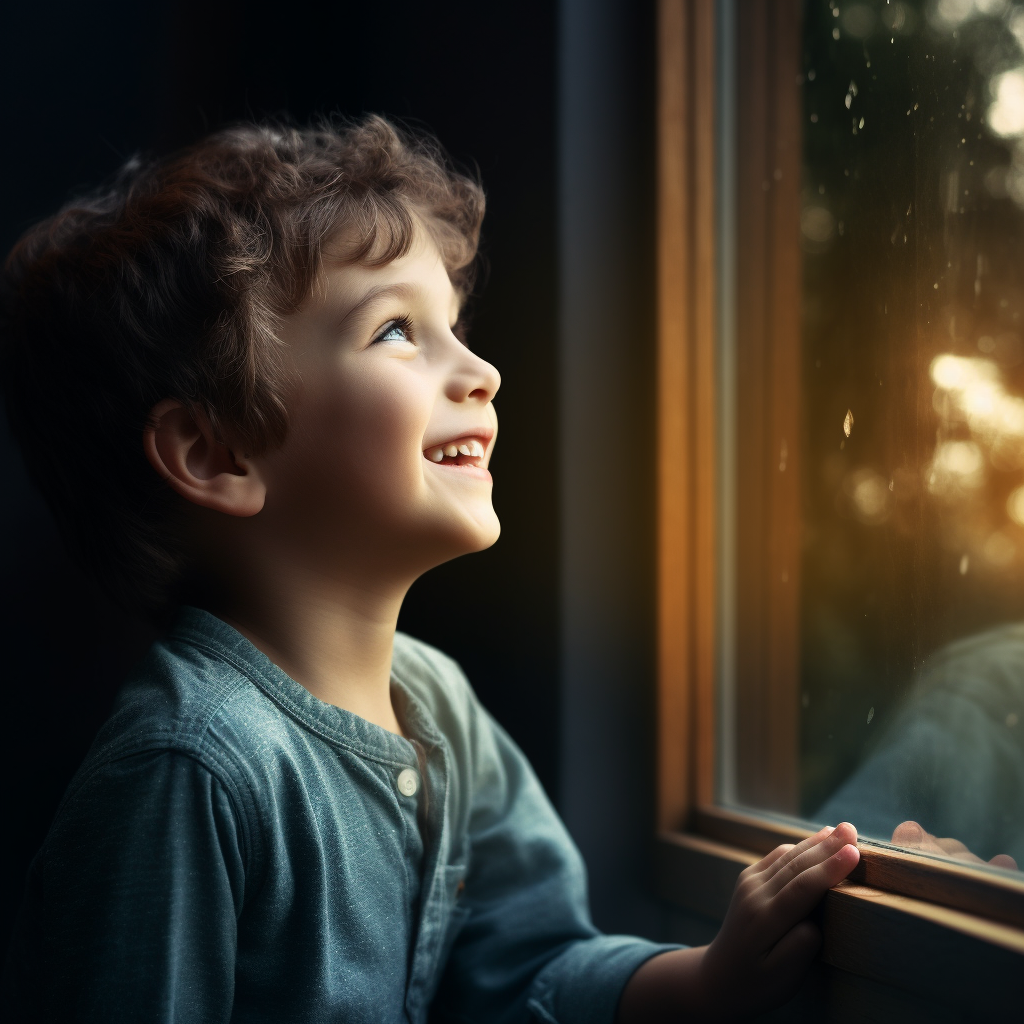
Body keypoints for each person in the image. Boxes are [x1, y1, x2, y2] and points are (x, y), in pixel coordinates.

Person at [0, 116, 860, 1023]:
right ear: (217, 453)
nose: (481, 371)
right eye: (398, 331)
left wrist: (712, 977)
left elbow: (529, 966)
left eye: (455, 325)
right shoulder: (191, 771)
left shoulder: (437, 704)